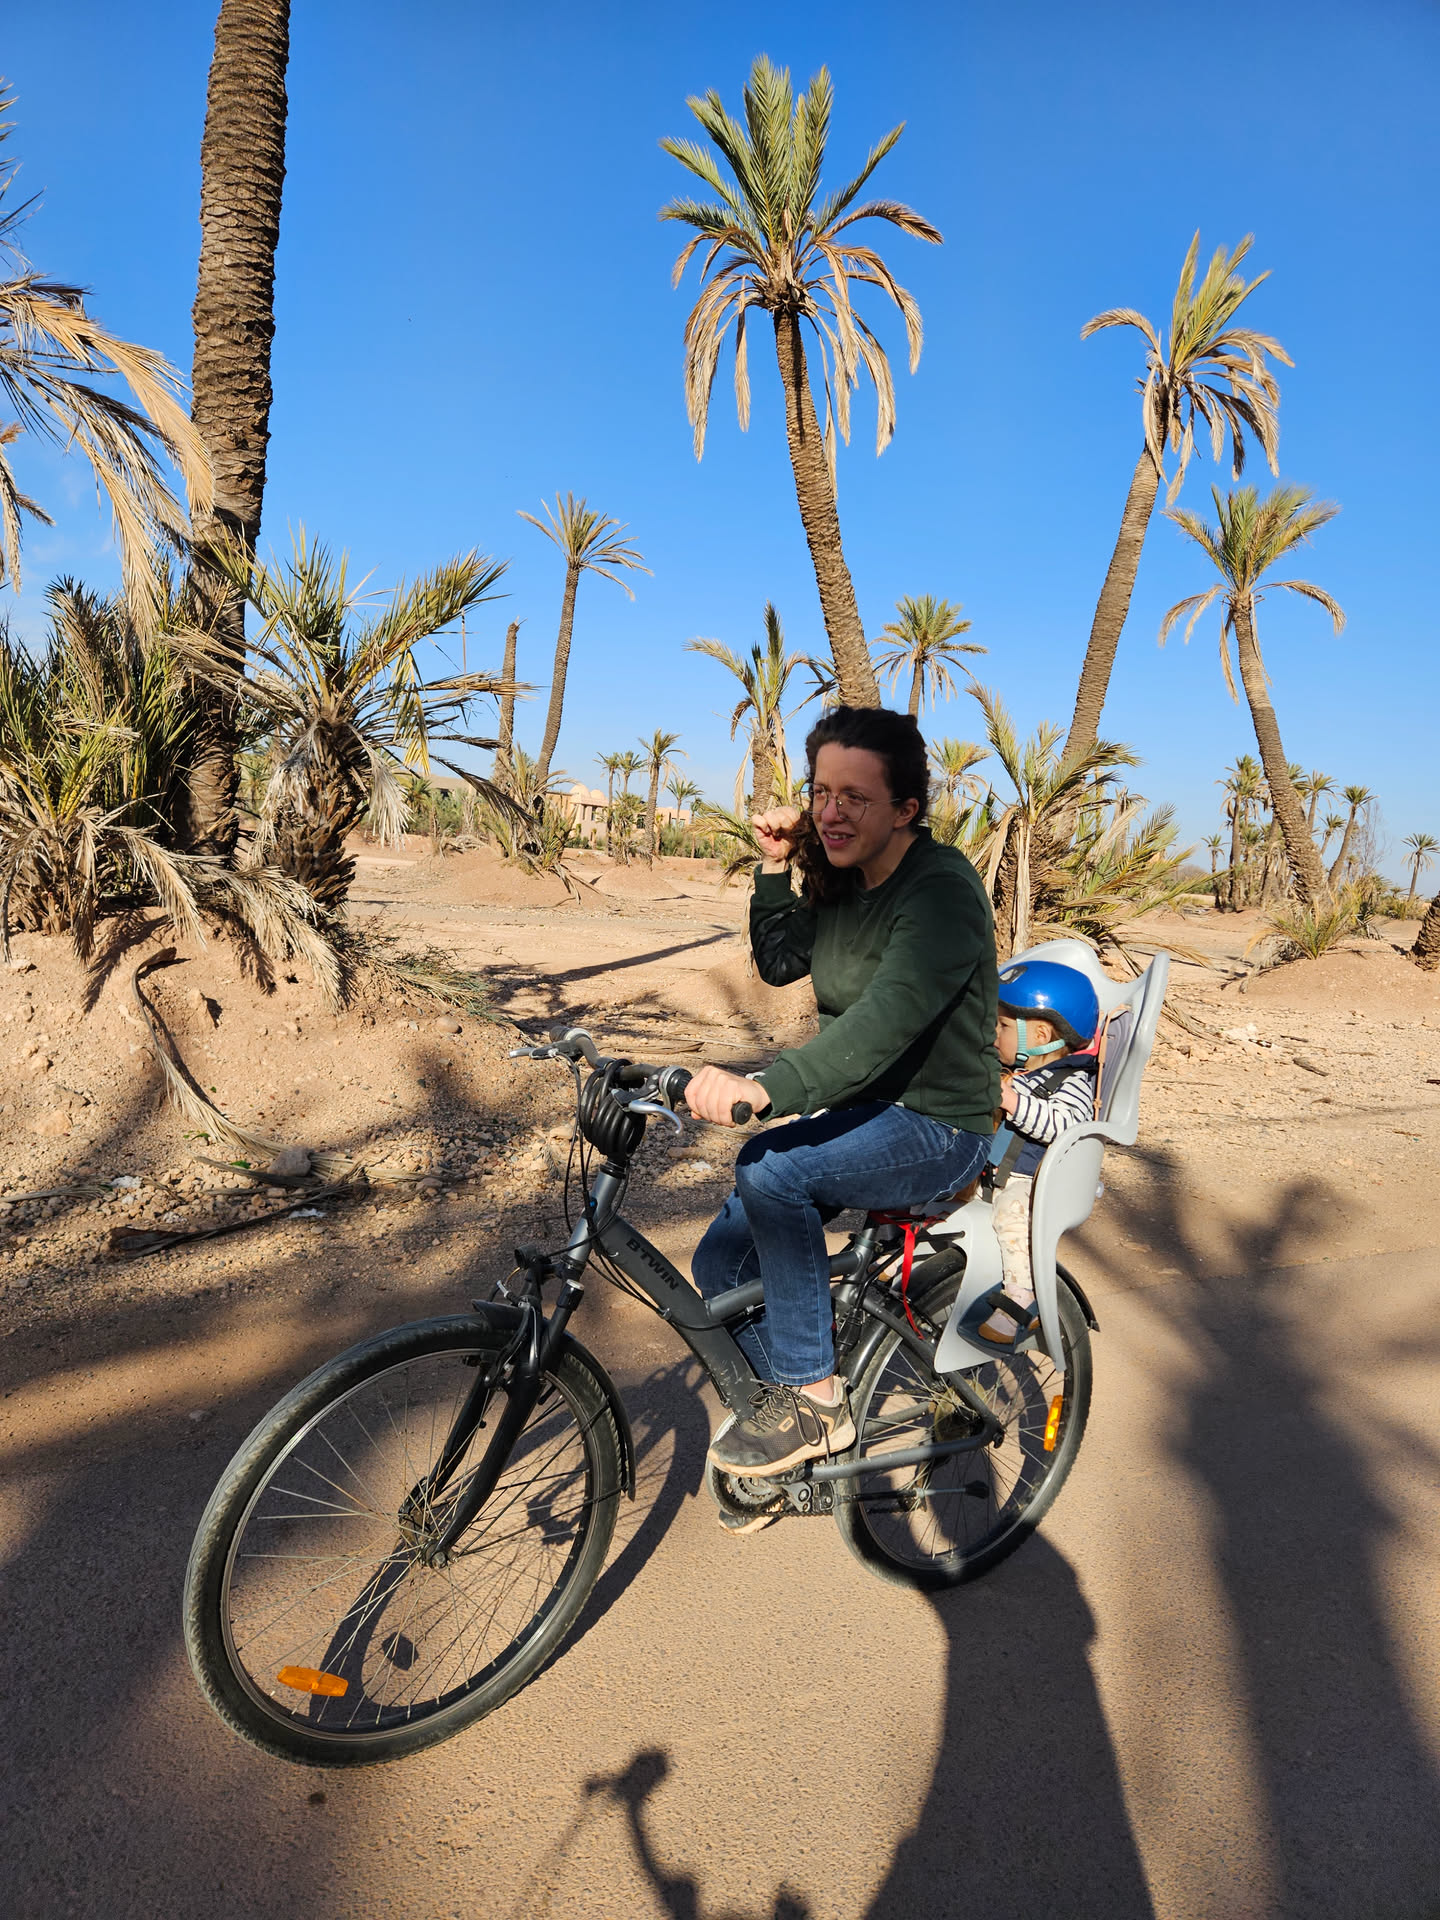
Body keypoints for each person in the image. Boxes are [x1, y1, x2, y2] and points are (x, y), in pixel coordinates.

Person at [683, 705, 1000, 1485]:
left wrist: (766, 1089)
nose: (830, 812)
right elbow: (780, 961)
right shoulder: (845, 883)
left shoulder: (942, 892)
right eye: (822, 792)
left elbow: (884, 1024)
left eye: (855, 797)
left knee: (770, 1170)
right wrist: (773, 868)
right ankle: (794, 1410)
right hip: (865, 1112)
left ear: (906, 809)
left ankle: (817, 1404)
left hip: (938, 1125)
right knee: (721, 1263)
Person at [979, 959, 1101, 1346]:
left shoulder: (1072, 1081)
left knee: (1012, 1218)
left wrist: (1013, 1102)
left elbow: (1066, 1127)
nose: (994, 1034)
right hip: (995, 1172)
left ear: (1042, 1034)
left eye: (1002, 1026)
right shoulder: (1022, 1073)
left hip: (1030, 1184)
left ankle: (1021, 1298)